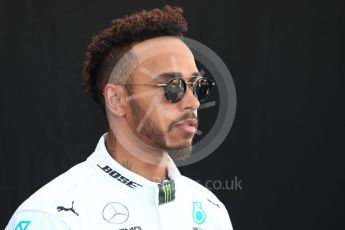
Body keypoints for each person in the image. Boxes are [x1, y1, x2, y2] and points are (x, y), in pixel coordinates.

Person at [6, 5, 233, 230]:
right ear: (116, 99)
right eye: (173, 87)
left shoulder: (211, 210)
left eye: (198, 86)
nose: (193, 102)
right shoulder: (51, 217)